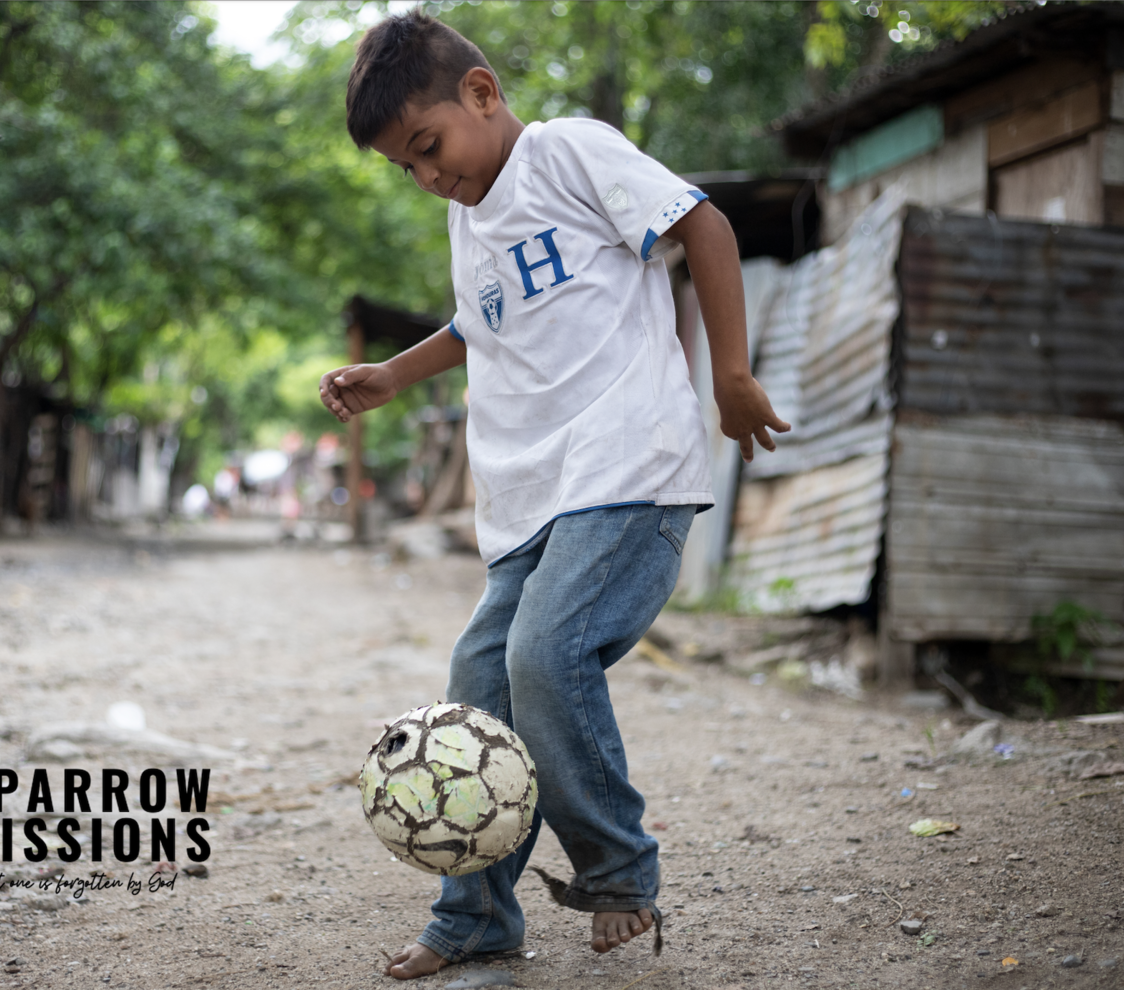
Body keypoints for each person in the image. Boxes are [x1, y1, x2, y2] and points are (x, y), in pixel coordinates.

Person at [318, 10, 789, 981]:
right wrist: (393, 376)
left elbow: (703, 222)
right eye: (406, 167)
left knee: (544, 656)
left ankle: (619, 868)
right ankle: (476, 917)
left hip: (628, 472)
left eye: (428, 146)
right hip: (532, 500)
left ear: (482, 94)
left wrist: (731, 375)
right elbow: (475, 327)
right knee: (479, 687)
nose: (428, 176)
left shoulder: (570, 152)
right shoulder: (467, 220)